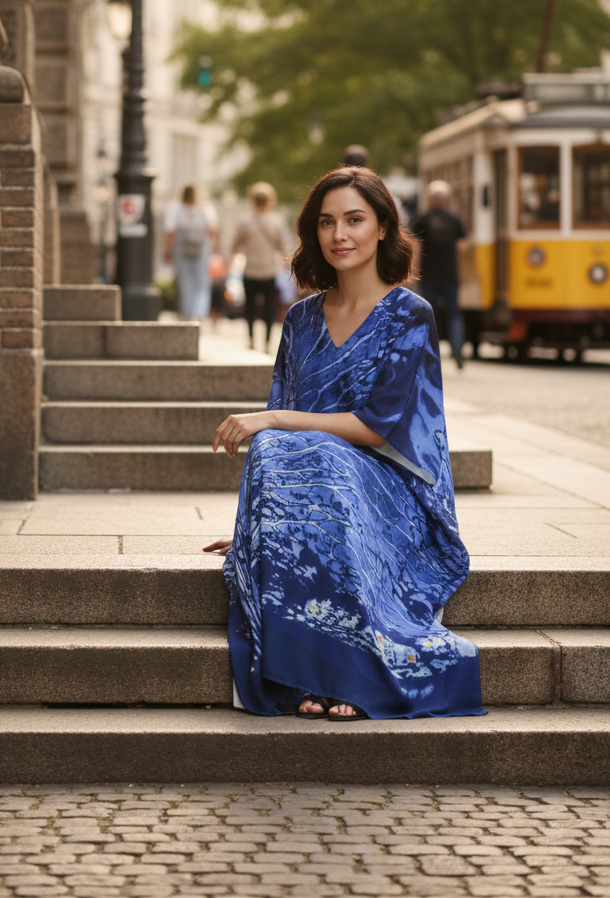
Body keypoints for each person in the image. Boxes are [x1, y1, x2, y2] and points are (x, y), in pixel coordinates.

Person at [204, 165, 483, 722]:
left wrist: (272, 416)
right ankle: (305, 674)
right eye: (327, 222)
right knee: (277, 449)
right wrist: (259, 522)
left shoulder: (409, 315)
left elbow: (377, 427)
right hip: (316, 483)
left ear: (383, 227)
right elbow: (281, 444)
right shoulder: (301, 319)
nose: (340, 235)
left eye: (355, 220)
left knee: (307, 447)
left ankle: (351, 674)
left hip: (390, 488)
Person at [412, 181, 468, 369]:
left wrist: (413, 269)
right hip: (450, 274)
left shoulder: (424, 218)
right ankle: (458, 351)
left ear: (430, 199)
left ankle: (429, 354)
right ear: (447, 200)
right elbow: (461, 247)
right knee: (454, 312)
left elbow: (415, 245)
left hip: (429, 274)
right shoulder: (454, 219)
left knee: (429, 313)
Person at [232, 182, 292, 350]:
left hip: (250, 269)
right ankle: (266, 342)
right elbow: (285, 248)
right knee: (269, 309)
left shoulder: (245, 221)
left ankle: (251, 340)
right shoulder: (276, 221)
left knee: (250, 308)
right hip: (269, 270)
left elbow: (235, 245)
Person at [163, 185, 219, 321]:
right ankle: (199, 313)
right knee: (201, 283)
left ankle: (187, 315)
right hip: (201, 250)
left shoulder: (175, 209)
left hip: (181, 250)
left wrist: (167, 251)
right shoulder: (206, 209)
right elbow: (212, 230)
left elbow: (171, 232)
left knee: (185, 283)